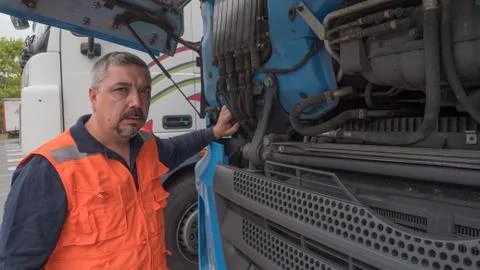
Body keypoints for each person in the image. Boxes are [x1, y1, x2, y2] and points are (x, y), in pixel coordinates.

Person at [0, 51, 239, 269]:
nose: (136, 102)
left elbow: (177, 149)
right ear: (94, 98)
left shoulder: (146, 146)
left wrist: (213, 132)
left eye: (144, 91)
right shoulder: (47, 170)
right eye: (121, 90)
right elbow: (17, 262)